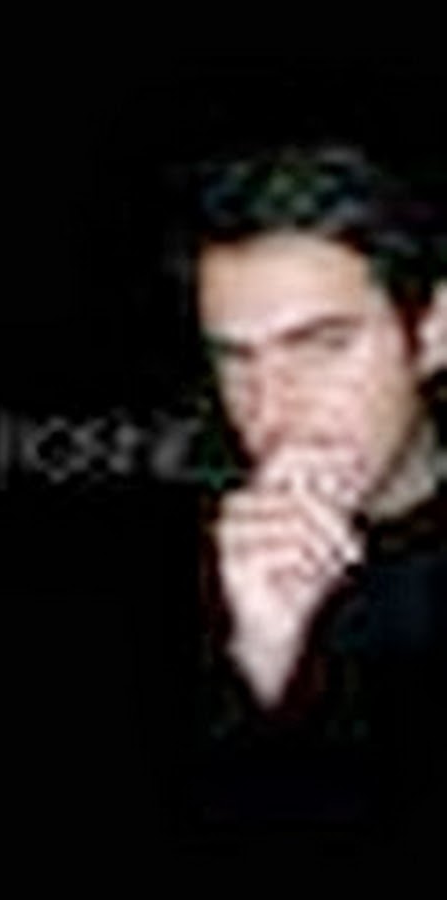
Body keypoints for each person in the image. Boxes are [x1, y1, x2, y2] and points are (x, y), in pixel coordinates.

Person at [165, 142, 447, 855]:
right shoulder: (200, 551)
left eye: (322, 345)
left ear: (432, 333)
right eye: (236, 358)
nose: (272, 411)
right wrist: (259, 663)